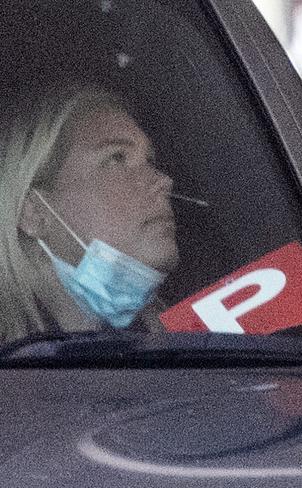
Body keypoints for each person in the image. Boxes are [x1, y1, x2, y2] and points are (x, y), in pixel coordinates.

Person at [0, 85, 179, 343]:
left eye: (149, 161)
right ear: (34, 213)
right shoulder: (14, 376)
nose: (163, 181)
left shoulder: (186, 344)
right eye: (116, 159)